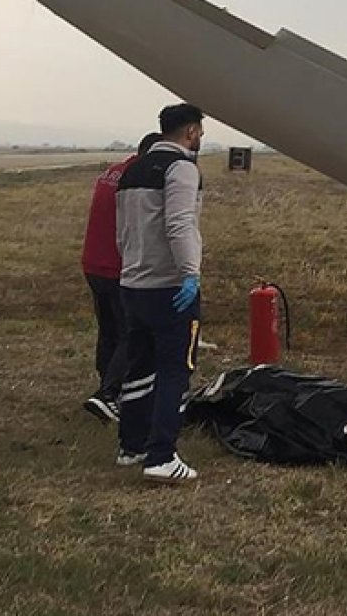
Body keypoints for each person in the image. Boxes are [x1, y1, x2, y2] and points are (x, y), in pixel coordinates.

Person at [115, 103, 205, 483]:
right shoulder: (181, 167)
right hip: (169, 287)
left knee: (139, 367)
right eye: (200, 130)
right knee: (174, 371)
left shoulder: (131, 170)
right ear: (190, 132)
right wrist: (191, 274)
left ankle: (131, 446)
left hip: (133, 283)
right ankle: (162, 456)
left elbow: (123, 231)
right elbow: (181, 222)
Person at [82, 133, 164, 423]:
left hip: (93, 263)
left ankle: (107, 389)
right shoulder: (139, 177)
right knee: (133, 331)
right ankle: (108, 393)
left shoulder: (112, 172)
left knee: (109, 330)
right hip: (119, 266)